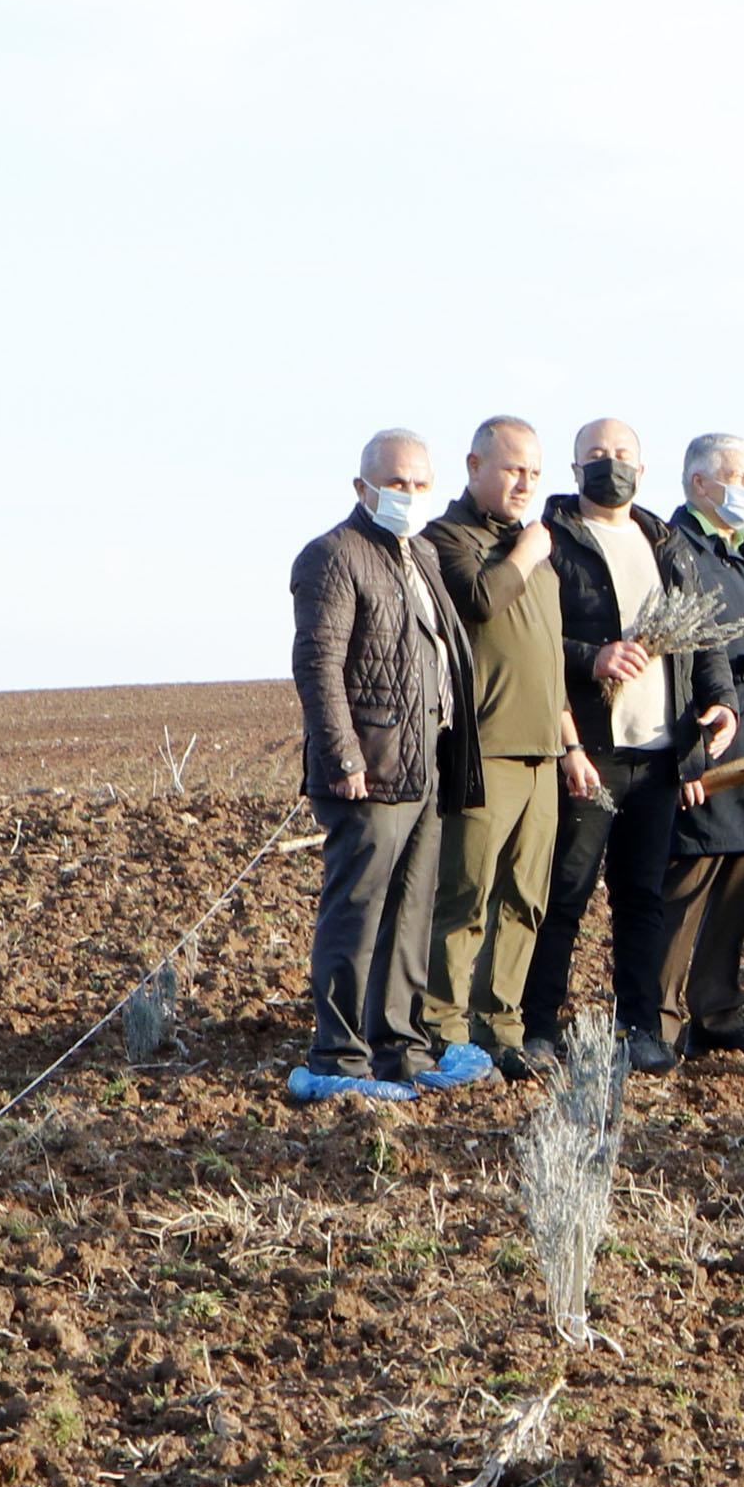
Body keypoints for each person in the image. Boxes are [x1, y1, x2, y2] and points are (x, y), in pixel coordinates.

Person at [531, 419, 736, 1073]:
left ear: (641, 471)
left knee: (641, 897)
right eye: (595, 455)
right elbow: (531, 640)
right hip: (590, 751)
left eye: (621, 456)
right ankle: (538, 1027)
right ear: (574, 470)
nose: (608, 465)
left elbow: (703, 634)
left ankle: (640, 1029)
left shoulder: (667, 544)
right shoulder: (552, 542)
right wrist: (591, 659)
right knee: (566, 890)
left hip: (658, 755)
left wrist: (721, 702)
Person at [287, 428, 469, 1101]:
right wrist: (342, 755)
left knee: (411, 914)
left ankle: (403, 1049)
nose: (410, 495)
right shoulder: (334, 556)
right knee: (357, 914)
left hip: (425, 766)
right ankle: (340, 1053)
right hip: (369, 769)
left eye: (421, 484)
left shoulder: (418, 552)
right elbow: (317, 664)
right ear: (362, 487)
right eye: (397, 483)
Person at [418, 417, 577, 1084]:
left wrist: (569, 741)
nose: (525, 484)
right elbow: (478, 601)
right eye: (513, 469)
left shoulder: (535, 552)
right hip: (483, 751)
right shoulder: (447, 539)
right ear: (475, 464)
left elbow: (550, 658)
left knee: (524, 898)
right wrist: (527, 555)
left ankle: (501, 1027)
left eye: (536, 473)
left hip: (542, 751)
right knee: (465, 894)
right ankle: (443, 1029)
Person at [654, 437, 744, 1058]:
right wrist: (687, 752)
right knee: (685, 894)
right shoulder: (677, 552)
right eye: (737, 476)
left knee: (738, 892)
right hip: (705, 754)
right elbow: (674, 657)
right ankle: (657, 1022)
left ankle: (717, 1014)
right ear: (698, 484)